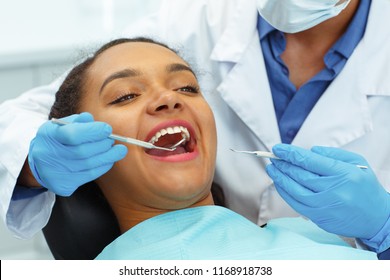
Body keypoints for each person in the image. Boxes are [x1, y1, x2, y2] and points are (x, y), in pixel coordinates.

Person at [1, 0, 390, 258]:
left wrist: (384, 228)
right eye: (124, 96)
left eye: (188, 87)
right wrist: (32, 164)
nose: (170, 100)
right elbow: (26, 119)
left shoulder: (318, 245)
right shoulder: (192, 21)